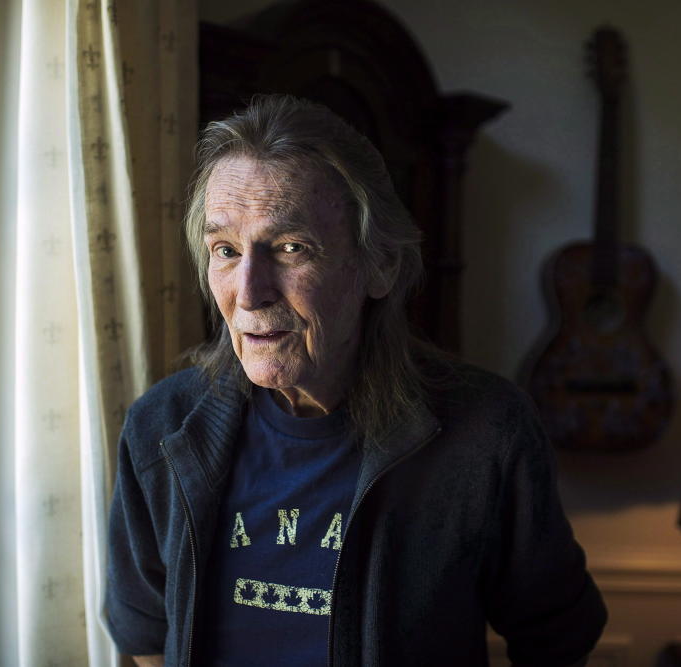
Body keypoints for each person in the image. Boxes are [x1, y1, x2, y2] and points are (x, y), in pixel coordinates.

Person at [105, 94, 607, 667]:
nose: (249, 292)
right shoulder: (162, 429)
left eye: (292, 248)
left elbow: (557, 638)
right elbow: (144, 637)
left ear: (379, 265)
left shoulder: (487, 432)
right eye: (225, 250)